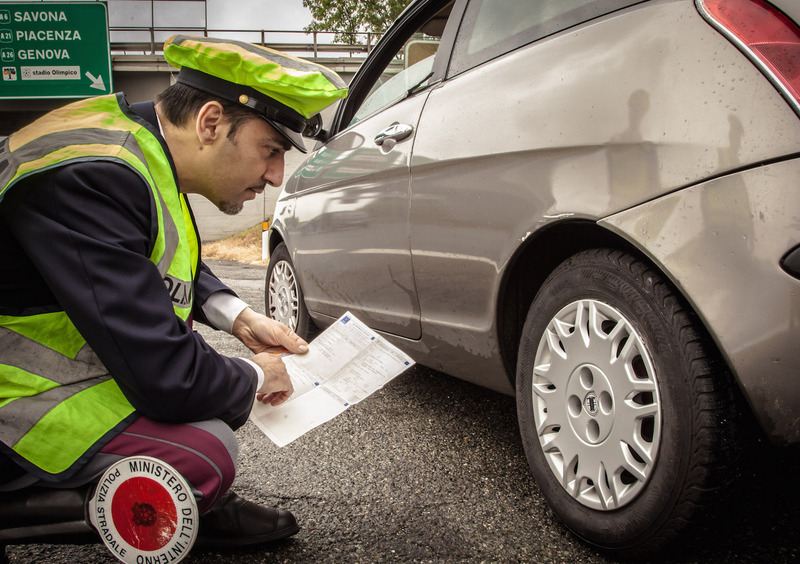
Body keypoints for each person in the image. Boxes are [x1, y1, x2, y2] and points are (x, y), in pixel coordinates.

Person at [0, 35, 347, 550]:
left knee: (210, 397)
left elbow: (143, 253)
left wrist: (236, 314)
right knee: (207, 453)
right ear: (210, 123)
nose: (275, 176)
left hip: (63, 370)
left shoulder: (134, 145)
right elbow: (167, 377)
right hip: (19, 396)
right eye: (270, 151)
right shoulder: (93, 175)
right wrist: (257, 372)